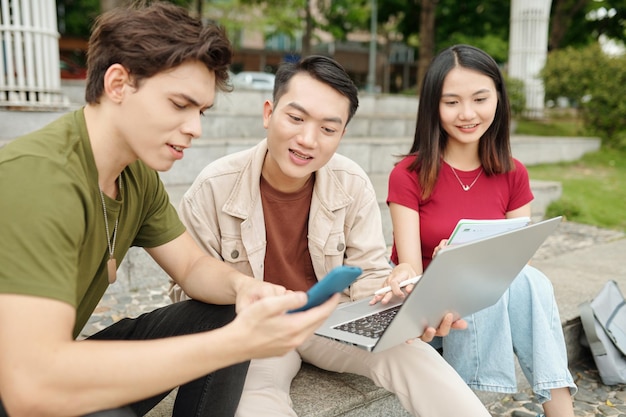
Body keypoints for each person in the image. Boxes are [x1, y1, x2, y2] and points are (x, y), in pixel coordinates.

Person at [0, 3, 340, 417]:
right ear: (119, 84)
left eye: (201, 111)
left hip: (47, 362)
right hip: (18, 381)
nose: (195, 128)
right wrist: (239, 343)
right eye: (180, 105)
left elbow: (193, 269)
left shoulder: (135, 174)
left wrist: (245, 289)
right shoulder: (40, 178)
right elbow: (29, 387)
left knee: (228, 309)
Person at [171, 54, 493, 417]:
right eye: (295, 118)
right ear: (268, 113)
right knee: (255, 400)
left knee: (415, 356)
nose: (307, 139)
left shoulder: (351, 182)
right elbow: (187, 291)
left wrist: (403, 305)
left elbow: (369, 274)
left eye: (328, 128)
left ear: (342, 134)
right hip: (255, 331)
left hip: (331, 319)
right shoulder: (214, 187)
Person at [382, 44, 577, 417]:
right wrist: (444, 268)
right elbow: (409, 269)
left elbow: (520, 261)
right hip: (434, 318)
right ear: (433, 108)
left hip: (493, 305)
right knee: (505, 279)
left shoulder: (512, 172)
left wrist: (473, 259)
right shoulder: (408, 174)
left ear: (498, 100)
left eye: (480, 99)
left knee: (531, 281)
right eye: (452, 102)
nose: (467, 114)